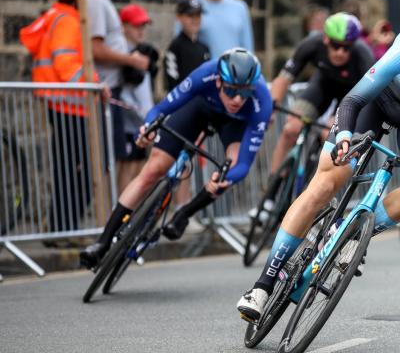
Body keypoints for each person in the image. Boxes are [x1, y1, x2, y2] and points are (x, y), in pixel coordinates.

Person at [236, 6, 400, 321]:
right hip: (377, 101)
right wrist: (345, 135)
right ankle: (263, 285)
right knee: (326, 182)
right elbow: (353, 99)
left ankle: (351, 231)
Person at [80, 49, 272, 268]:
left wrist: (227, 177)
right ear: (219, 81)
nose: (238, 99)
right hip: (199, 108)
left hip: (233, 124)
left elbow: (245, 164)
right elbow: (160, 109)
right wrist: (148, 129)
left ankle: (184, 214)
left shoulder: (262, 101)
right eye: (231, 90)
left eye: (245, 93)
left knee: (229, 171)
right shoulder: (205, 74)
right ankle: (102, 243)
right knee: (153, 170)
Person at [20, 0, 106, 232]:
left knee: (69, 168)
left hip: (65, 104)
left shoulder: (58, 15)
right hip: (71, 104)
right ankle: (63, 226)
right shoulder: (67, 20)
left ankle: (63, 225)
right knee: (83, 170)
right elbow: (66, 63)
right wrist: (94, 85)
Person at [268, 12, 374, 173]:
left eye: (347, 47)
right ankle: (272, 186)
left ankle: (319, 184)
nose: (340, 52)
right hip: (321, 88)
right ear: (325, 39)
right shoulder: (312, 44)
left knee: (329, 135)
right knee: (291, 129)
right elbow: (283, 78)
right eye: (335, 45)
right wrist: (272, 107)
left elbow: (370, 94)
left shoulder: (363, 54)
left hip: (348, 97)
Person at [88, 0, 150, 167]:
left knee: (115, 158)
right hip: (105, 90)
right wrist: (131, 60)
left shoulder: (102, 0)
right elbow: (95, 49)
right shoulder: (95, 0)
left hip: (113, 90)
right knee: (106, 161)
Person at [118, 4, 157, 193]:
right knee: (127, 165)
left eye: (143, 26)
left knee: (139, 164)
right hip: (129, 117)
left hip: (142, 118)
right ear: (124, 26)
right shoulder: (121, 52)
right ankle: (121, 213)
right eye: (136, 26)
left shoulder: (143, 51)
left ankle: (132, 213)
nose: (141, 30)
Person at [164, 0, 210, 92]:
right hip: (184, 101)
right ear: (179, 17)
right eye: (190, 15)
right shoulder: (175, 47)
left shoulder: (204, 48)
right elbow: (172, 82)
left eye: (198, 15)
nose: (195, 20)